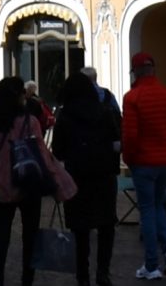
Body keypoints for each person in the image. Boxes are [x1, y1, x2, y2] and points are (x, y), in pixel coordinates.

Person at [0, 72, 69, 286]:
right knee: (30, 237)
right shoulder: (30, 122)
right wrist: (57, 185)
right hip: (28, 184)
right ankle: (26, 281)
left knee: (1, 238)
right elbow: (42, 155)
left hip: (1, 187)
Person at [120, 50, 166, 280]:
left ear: (136, 72)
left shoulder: (132, 98)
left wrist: (128, 158)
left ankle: (151, 264)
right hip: (165, 161)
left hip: (142, 161)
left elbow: (130, 135)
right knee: (158, 206)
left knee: (147, 209)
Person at [54, 68, 122, 286]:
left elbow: (58, 150)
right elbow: (116, 141)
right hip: (104, 174)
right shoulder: (105, 111)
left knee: (80, 227)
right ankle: (103, 271)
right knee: (106, 224)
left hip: (77, 175)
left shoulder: (65, 115)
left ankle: (82, 275)